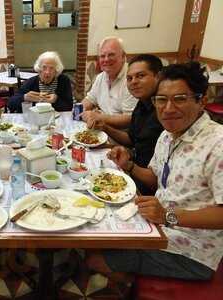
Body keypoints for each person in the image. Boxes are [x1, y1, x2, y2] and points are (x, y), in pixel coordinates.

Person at [86, 62, 223, 282]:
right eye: (161, 100)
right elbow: (155, 177)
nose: (168, 108)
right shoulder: (168, 135)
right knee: (95, 229)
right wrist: (128, 165)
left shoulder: (218, 143)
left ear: (201, 101)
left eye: (180, 99)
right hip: (155, 226)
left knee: (95, 257)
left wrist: (167, 215)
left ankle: (132, 284)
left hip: (193, 250)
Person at [92, 54, 164, 195]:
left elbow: (160, 179)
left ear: (158, 76)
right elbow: (131, 140)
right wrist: (105, 127)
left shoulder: (164, 113)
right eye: (129, 78)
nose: (134, 82)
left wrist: (129, 166)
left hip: (146, 186)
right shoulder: (142, 104)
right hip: (132, 170)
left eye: (141, 76)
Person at [81, 37, 138, 129]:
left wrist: (99, 117)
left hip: (121, 136)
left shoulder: (132, 78)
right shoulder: (101, 77)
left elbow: (129, 119)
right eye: (102, 56)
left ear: (123, 57)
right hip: (102, 129)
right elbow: (90, 99)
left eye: (111, 55)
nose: (106, 59)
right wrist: (77, 110)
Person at [8, 51, 73, 113]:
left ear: (56, 70)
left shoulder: (63, 80)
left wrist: (56, 100)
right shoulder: (32, 82)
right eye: (44, 67)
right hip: (35, 119)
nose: (47, 72)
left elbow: (69, 106)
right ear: (39, 68)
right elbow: (10, 104)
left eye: (51, 68)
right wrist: (25, 97)